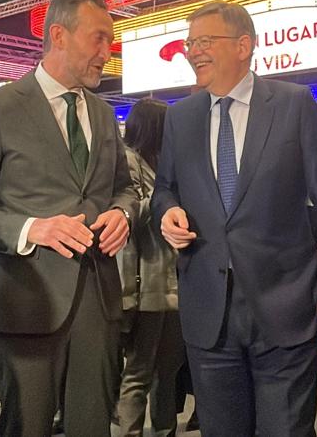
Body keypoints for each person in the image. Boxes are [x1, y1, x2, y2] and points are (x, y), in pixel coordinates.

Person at [152, 1, 317, 436]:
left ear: (244, 46)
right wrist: (167, 211)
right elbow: (164, 187)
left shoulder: (292, 103)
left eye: (205, 41)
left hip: (287, 309)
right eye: (190, 43)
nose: (193, 51)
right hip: (209, 314)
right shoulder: (181, 117)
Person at [0, 0, 137, 437]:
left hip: (97, 300)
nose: (107, 53)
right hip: (24, 303)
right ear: (59, 36)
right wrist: (31, 228)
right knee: (26, 426)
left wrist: (123, 215)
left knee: (92, 426)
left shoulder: (105, 114)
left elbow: (125, 189)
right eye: (99, 39)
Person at [116, 98, 185, 437]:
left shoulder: (163, 162)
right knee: (139, 372)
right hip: (144, 282)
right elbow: (129, 215)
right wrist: (166, 201)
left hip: (172, 281)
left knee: (168, 370)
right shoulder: (127, 161)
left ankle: (165, 430)